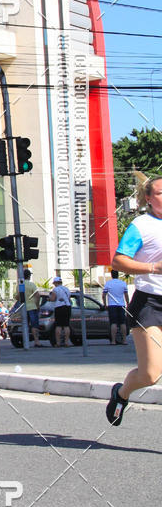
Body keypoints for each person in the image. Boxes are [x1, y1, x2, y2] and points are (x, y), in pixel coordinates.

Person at [106, 176, 162, 425]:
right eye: (161, 193)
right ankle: (121, 393)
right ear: (149, 199)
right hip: (150, 302)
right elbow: (118, 262)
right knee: (150, 375)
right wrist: (153, 267)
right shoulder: (142, 225)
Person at [102, 269, 129, 345]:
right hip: (121, 305)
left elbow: (104, 295)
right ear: (118, 275)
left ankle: (113, 341)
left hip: (112, 305)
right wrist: (128, 303)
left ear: (111, 275)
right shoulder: (123, 283)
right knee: (122, 323)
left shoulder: (108, 283)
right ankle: (124, 340)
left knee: (113, 323)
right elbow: (126, 295)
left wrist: (105, 304)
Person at [17, 269, 41, 347]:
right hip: (32, 307)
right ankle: (36, 341)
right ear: (29, 276)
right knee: (34, 325)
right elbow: (37, 295)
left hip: (24, 308)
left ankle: (25, 342)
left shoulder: (20, 285)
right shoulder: (31, 285)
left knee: (25, 325)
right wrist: (37, 305)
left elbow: (17, 297)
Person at [49, 276, 72, 347]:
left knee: (58, 325)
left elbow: (53, 299)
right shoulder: (67, 289)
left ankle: (58, 343)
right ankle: (66, 342)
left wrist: (49, 299)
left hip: (59, 307)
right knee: (66, 325)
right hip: (67, 306)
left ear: (55, 283)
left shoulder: (55, 289)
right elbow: (68, 298)